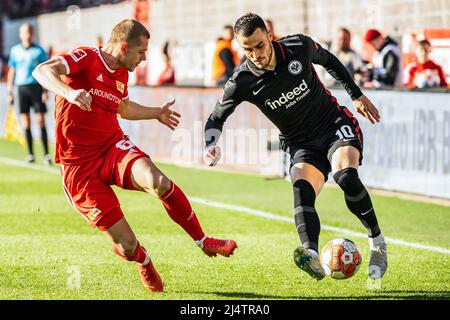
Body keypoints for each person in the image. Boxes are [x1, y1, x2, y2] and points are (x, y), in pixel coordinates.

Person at [32, 19, 237, 293]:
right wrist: (69, 93)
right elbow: (41, 71)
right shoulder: (85, 57)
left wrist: (156, 113)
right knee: (126, 244)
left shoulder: (121, 73)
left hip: (111, 148)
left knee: (158, 181)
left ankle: (203, 240)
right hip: (78, 168)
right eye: (141, 52)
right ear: (125, 47)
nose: (144, 58)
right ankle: (143, 260)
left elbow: (123, 108)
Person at [203, 13, 387, 281]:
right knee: (301, 190)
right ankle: (310, 254)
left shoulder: (298, 47)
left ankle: (378, 243)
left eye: (259, 45)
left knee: (346, 176)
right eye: (247, 49)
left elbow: (330, 61)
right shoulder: (241, 80)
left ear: (269, 36)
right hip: (301, 143)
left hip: (333, 124)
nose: (256, 54)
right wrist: (210, 144)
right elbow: (216, 116)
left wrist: (355, 95)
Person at [7, 23, 51, 164]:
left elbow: (46, 70)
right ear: (20, 34)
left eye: (29, 32)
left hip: (36, 87)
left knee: (40, 120)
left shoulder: (39, 50)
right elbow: (12, 71)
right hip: (21, 88)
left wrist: (45, 90)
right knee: (26, 122)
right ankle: (31, 154)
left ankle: (46, 154)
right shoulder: (15, 51)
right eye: (24, 32)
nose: (27, 34)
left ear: (32, 34)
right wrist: (10, 91)